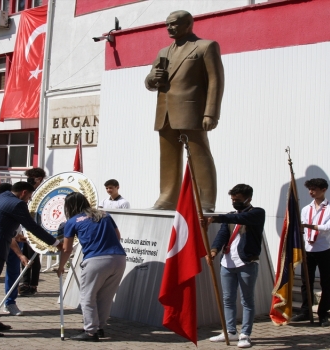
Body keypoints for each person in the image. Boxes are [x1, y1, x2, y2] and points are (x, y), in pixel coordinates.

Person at [144, 10, 224, 213]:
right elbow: (149, 82)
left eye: (174, 24)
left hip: (192, 111)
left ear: (189, 24)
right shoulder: (163, 52)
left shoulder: (205, 47)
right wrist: (153, 78)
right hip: (165, 112)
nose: (169, 28)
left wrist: (211, 113)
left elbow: (215, 81)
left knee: (200, 155)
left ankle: (205, 200)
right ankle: (168, 197)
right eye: (167, 24)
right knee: (168, 158)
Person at [0, 181, 60, 337]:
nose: (28, 200)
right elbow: (32, 226)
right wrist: (55, 242)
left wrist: (14, 235)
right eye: (29, 197)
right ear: (23, 192)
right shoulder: (17, 204)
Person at [57, 192, 126, 342]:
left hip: (96, 260)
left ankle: (90, 331)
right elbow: (117, 236)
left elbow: (67, 249)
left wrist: (61, 266)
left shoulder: (73, 221)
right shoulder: (104, 214)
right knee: (105, 296)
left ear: (69, 206)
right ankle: (99, 327)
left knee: (88, 296)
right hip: (119, 258)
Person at [204, 184, 265, 348]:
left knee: (247, 300)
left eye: (237, 200)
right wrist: (214, 250)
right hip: (227, 263)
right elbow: (223, 233)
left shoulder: (257, 213)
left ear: (248, 198)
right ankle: (230, 331)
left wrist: (216, 217)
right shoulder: (231, 216)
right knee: (228, 299)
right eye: (232, 199)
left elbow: (240, 219)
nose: (234, 202)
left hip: (246, 263)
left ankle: (245, 334)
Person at [291, 178, 330, 327]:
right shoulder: (306, 208)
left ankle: (323, 313)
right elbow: (302, 227)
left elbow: (327, 227)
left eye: (314, 189)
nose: (311, 192)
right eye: (310, 189)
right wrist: (300, 229)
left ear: (324, 189)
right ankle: (305, 310)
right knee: (307, 281)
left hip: (324, 249)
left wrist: (308, 226)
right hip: (308, 249)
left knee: (326, 283)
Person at [0, 183, 27, 316]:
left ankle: (10, 303)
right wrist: (20, 255)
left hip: (16, 241)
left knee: (14, 273)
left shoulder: (15, 205)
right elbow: (7, 234)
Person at [19, 167, 46, 297]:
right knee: (24, 254)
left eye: (32, 178)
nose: (30, 181)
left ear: (39, 179)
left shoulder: (43, 191)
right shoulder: (27, 189)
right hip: (24, 228)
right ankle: (25, 282)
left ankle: (33, 284)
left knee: (34, 256)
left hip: (36, 227)